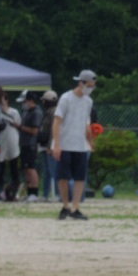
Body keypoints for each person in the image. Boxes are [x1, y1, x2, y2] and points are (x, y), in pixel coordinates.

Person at [51, 70, 97, 220]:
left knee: (80, 177)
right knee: (63, 177)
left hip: (80, 145)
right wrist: (56, 144)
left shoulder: (88, 102)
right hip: (65, 143)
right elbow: (57, 121)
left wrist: (90, 141)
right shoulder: (66, 98)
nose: (90, 89)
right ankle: (65, 206)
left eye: (92, 86)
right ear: (80, 83)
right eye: (88, 86)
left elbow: (86, 122)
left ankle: (75, 207)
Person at [17, 91, 43, 201]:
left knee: (31, 168)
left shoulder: (36, 112)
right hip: (24, 143)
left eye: (25, 101)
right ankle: (29, 192)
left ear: (30, 100)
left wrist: (19, 127)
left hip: (31, 144)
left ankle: (34, 192)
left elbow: (34, 131)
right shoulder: (26, 112)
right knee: (26, 169)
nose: (23, 104)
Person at [0, 94, 22, 202]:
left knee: (14, 168)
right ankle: (0, 191)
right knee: (0, 168)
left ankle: (15, 191)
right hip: (1, 141)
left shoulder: (14, 112)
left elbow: (17, 124)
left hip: (12, 140)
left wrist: (5, 113)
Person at [37, 91, 59, 201]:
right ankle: (46, 194)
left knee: (53, 171)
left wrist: (51, 146)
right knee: (47, 171)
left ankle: (57, 194)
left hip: (50, 146)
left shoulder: (53, 112)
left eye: (44, 100)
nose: (43, 102)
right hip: (45, 145)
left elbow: (53, 131)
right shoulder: (49, 112)